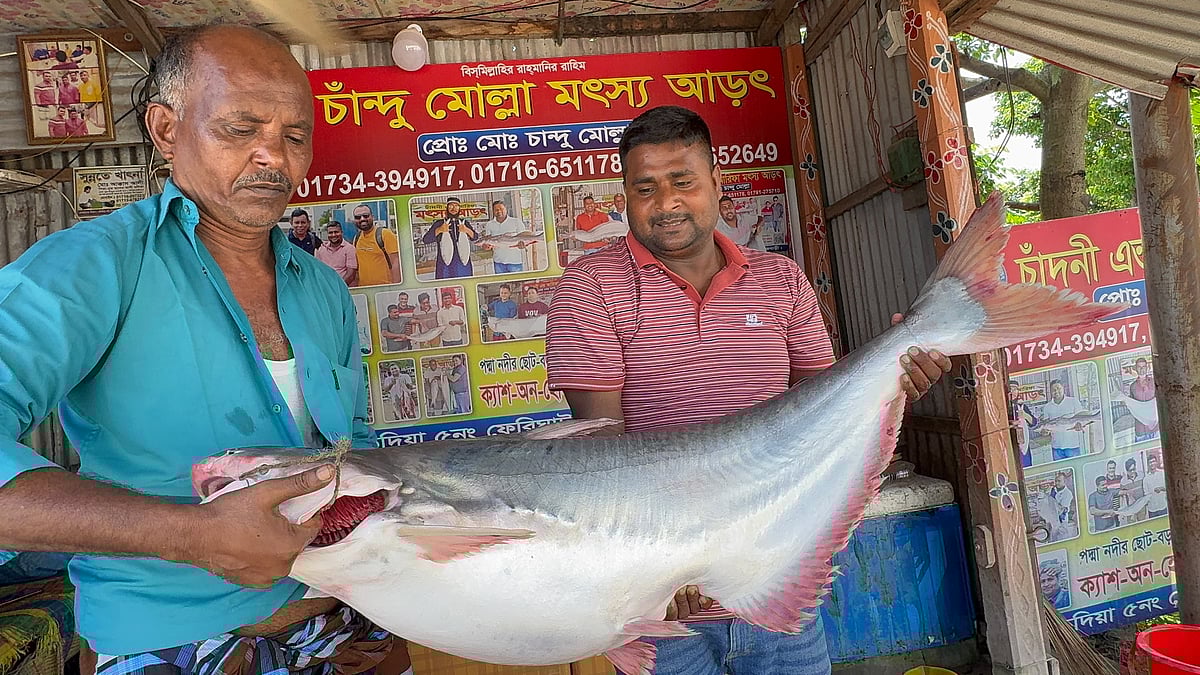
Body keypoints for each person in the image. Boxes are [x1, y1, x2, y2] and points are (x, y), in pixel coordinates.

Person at [0, 25, 410, 675]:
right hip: (172, 643)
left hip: (342, 625)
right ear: (166, 129)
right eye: (240, 128)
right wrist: (188, 533)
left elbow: (353, 451)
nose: (273, 156)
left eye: (294, 135)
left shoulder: (322, 289)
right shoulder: (96, 267)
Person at [546, 105, 950, 675]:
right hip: (663, 600)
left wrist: (892, 379)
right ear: (625, 199)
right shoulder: (591, 285)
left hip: (774, 579)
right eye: (645, 188)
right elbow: (601, 457)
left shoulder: (782, 280)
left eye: (682, 181)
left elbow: (827, 419)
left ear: (717, 184)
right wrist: (663, 568)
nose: (666, 204)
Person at [422, 197, 477, 278]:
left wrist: (466, 230)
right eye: (451, 205)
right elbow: (426, 240)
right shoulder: (439, 223)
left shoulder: (464, 223)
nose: (454, 208)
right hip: (445, 265)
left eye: (456, 206)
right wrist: (440, 230)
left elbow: (475, 237)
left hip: (463, 263)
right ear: (447, 207)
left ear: (459, 208)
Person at [352, 203, 401, 286]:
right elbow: (357, 267)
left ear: (372, 217)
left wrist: (395, 289)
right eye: (358, 217)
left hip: (385, 289)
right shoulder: (356, 238)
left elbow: (396, 263)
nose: (362, 219)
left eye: (366, 215)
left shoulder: (385, 234)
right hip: (364, 290)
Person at [1038, 380, 1088, 460]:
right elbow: (1046, 426)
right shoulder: (1047, 407)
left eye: (1058, 388)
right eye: (1053, 390)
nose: (1056, 391)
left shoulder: (1073, 401)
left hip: (1073, 446)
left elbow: (1082, 419)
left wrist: (1081, 426)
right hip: (1056, 447)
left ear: (1063, 388)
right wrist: (1044, 432)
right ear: (1050, 392)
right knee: (1060, 472)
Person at [481, 200, 531, 273]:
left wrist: (524, 245)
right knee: (503, 284)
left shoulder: (516, 222)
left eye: (501, 209)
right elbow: (488, 240)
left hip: (515, 262)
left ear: (506, 209)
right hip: (498, 262)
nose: (499, 211)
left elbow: (525, 238)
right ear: (493, 211)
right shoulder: (489, 224)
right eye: (496, 210)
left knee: (517, 283)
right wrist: (485, 246)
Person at [1008, 379, 1039, 467]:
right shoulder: (1002, 407)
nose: (1013, 391)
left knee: (1025, 466)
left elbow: (1034, 423)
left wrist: (1025, 415)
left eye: (1015, 389)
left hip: (1023, 443)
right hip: (1010, 446)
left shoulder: (1022, 406)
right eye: (1011, 389)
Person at [1128, 357, 1158, 441]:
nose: (1141, 369)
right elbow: (1132, 405)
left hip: (1155, 427)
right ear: (1135, 368)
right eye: (1139, 367)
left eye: (1144, 366)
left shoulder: (1154, 382)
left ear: (1147, 367)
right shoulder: (1133, 386)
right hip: (1140, 428)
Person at [1119, 457, 1146, 524]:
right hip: (1130, 507)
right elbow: (1121, 496)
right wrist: (1121, 510)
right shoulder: (1123, 481)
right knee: (1132, 527)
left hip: (1141, 505)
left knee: (1143, 524)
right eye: (1130, 470)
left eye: (1133, 469)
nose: (1132, 472)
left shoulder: (1142, 475)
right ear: (1126, 470)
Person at [1144, 452, 1168, 518]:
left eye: (1153, 461)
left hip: (1163, 506)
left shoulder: (1162, 473)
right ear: (1148, 464)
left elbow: (1168, 489)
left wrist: (1161, 488)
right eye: (1150, 462)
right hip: (1152, 509)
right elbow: (1146, 494)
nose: (1152, 464)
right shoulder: (1146, 479)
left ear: (1156, 462)